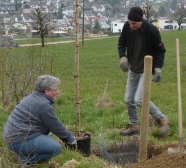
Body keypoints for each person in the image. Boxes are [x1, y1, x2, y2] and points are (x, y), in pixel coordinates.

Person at [118, 7, 169, 137]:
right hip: (134, 68)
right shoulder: (127, 26)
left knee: (139, 99)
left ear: (141, 20)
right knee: (128, 99)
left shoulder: (151, 30)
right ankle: (134, 125)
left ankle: (162, 119)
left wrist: (157, 69)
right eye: (129, 22)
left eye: (134, 23)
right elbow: (121, 43)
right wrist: (123, 57)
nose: (131, 25)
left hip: (146, 70)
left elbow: (161, 51)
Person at [2, 75, 77, 165]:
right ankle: (26, 158)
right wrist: (71, 139)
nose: (57, 92)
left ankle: (23, 152)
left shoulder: (33, 97)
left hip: (10, 137)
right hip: (20, 141)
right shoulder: (43, 105)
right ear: (46, 91)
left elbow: (50, 125)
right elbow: (55, 126)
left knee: (46, 134)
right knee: (57, 149)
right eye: (55, 90)